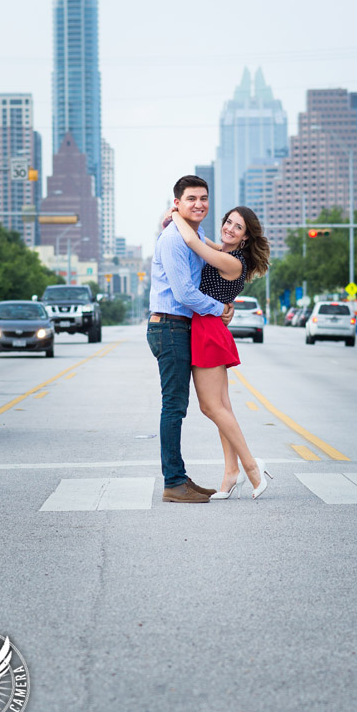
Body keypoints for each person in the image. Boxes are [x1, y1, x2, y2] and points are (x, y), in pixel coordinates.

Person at [169, 204, 273, 500]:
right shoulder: (226, 253)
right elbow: (202, 240)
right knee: (221, 407)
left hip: (208, 331)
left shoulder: (234, 262)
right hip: (208, 327)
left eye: (237, 227)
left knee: (211, 407)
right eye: (228, 221)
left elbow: (192, 242)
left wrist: (176, 213)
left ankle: (252, 466)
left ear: (245, 238)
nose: (229, 227)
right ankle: (231, 472)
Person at [147, 175, 234, 503]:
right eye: (192, 199)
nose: (199, 204)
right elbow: (183, 292)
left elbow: (212, 252)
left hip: (178, 327)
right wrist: (218, 308)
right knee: (173, 406)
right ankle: (173, 482)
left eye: (204, 198)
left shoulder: (191, 235)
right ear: (177, 204)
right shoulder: (173, 239)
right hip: (169, 327)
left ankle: (180, 477)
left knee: (178, 407)